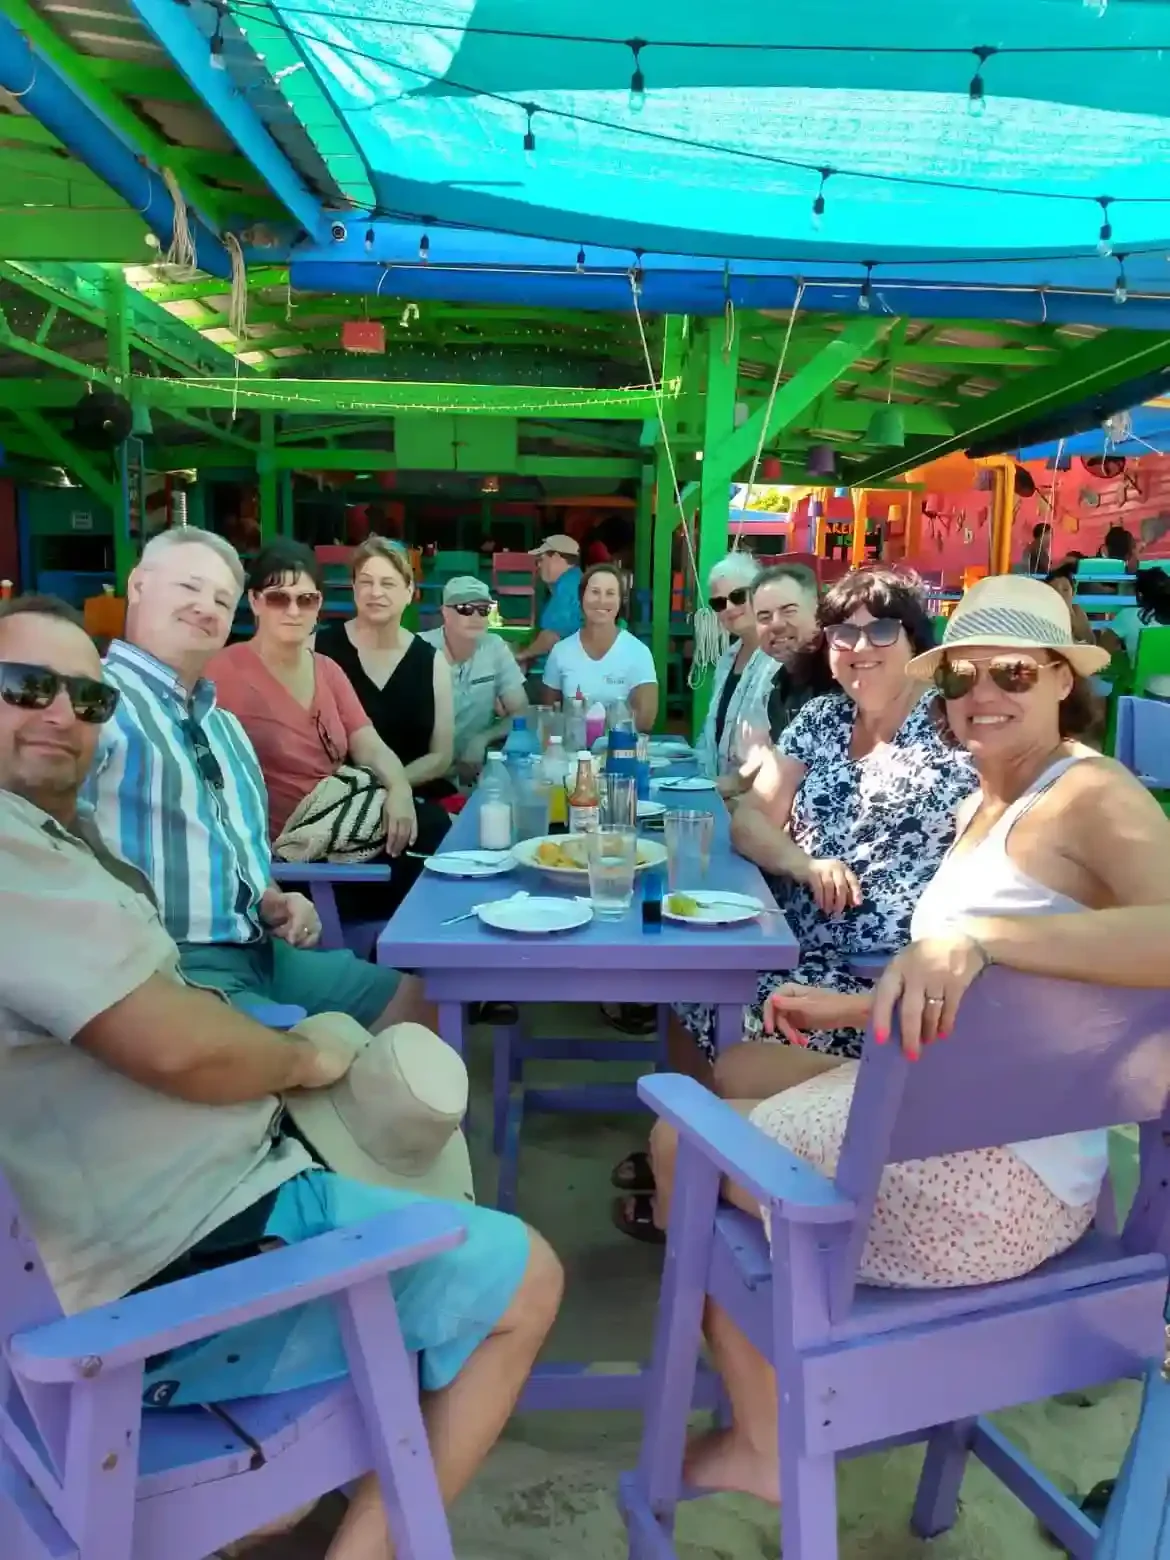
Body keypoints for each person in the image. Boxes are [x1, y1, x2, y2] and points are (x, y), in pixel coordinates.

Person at [0, 593, 564, 1560]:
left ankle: (284, 1505)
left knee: (388, 1060)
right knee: (529, 1278)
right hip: (179, 1270)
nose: (62, 713)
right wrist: (300, 1054)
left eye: (86, 700)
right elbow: (177, 1046)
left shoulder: (62, 829)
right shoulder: (15, 855)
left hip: (177, 1203)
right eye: (26, 689)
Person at [646, 575, 1170, 1503]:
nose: (983, 695)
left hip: (985, 1194)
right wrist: (856, 1006)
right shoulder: (991, 798)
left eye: (1013, 671)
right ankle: (793, 1367)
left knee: (675, 1139)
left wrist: (977, 938)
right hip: (1002, 1150)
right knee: (742, 1064)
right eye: (962, 677)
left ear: (1062, 681)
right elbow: (1011, 995)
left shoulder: (1088, 791)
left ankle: (770, 1439)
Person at [613, 568, 976, 1243]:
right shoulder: (824, 716)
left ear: (917, 640)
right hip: (788, 934)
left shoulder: (954, 733)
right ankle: (705, 1155)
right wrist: (804, 865)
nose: (860, 646)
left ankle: (715, 1172)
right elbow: (751, 819)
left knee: (731, 1007)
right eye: (844, 632)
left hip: (872, 973)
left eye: (882, 629)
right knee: (684, 985)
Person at [86, 528, 422, 1030]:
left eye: (219, 599)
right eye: (188, 588)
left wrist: (271, 897)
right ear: (138, 586)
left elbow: (233, 844)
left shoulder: (222, 726)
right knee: (323, 1058)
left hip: (260, 942)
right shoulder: (95, 704)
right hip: (169, 967)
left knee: (424, 1004)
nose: (205, 607)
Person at [314, 537, 456, 801]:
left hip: (415, 797)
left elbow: (441, 756)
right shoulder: (320, 648)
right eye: (366, 582)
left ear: (409, 591)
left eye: (388, 583)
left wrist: (393, 787)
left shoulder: (431, 661)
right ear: (354, 588)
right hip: (335, 802)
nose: (375, 592)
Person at [420, 574, 529, 782]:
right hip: (423, 771)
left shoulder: (495, 646)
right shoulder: (420, 649)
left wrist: (482, 739)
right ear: (445, 612)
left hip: (474, 770)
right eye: (465, 609)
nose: (476, 617)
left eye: (483, 610)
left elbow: (521, 712)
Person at [694, 553, 776, 798]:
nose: (728, 608)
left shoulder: (779, 660)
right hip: (718, 794)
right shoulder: (727, 659)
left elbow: (785, 746)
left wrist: (737, 783)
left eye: (738, 596)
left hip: (757, 802)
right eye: (719, 603)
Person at [541, 563, 659, 730]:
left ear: (621, 601)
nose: (602, 601)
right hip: (574, 751)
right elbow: (549, 715)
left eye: (610, 594)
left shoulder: (638, 652)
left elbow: (645, 721)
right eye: (595, 592)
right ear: (581, 598)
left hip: (620, 750)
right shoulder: (560, 652)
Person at [750, 562, 827, 740]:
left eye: (789, 611)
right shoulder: (779, 686)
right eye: (764, 617)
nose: (776, 624)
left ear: (819, 613)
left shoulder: (840, 681)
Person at [514, 534, 582, 670]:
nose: (538, 566)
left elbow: (551, 637)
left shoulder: (568, 588)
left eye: (541, 560)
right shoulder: (571, 582)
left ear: (556, 557)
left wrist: (520, 656)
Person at [1044, 564, 1095, 644]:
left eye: (1065, 590)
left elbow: (1090, 642)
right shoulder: (1043, 612)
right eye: (1054, 590)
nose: (1060, 594)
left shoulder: (1077, 612)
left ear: (1073, 592)